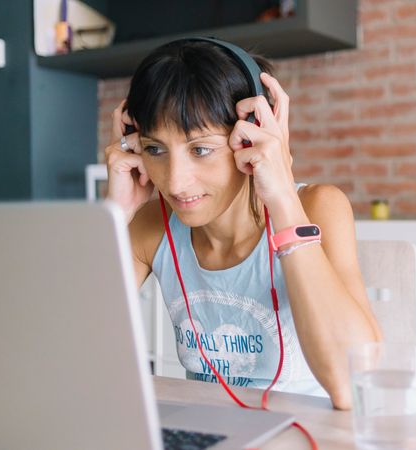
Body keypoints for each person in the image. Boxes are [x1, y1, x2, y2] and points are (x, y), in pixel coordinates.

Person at [105, 39, 382, 410]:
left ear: (249, 136)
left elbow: (350, 385)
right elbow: (64, 347)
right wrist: (115, 213)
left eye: (200, 150)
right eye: (155, 149)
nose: (174, 183)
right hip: (209, 431)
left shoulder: (317, 207)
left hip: (312, 434)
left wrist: (283, 197)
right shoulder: (153, 225)